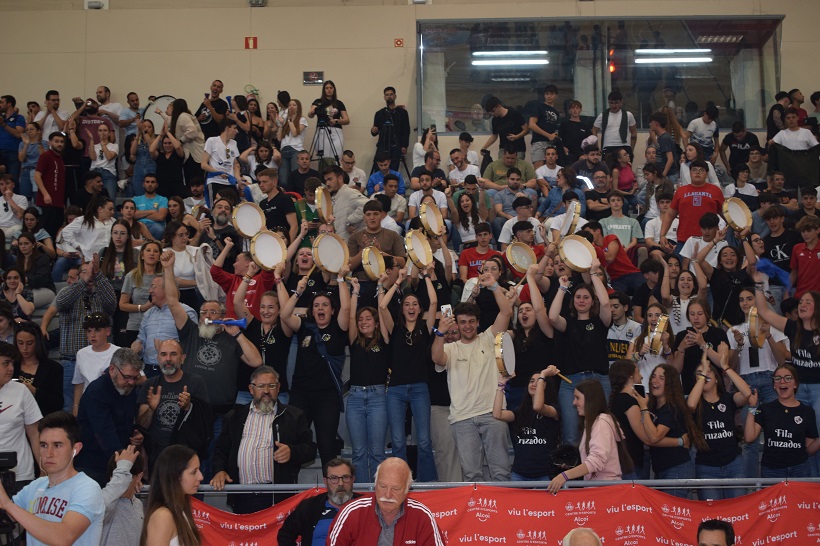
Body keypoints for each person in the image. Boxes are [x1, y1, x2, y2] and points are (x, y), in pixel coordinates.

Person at [432, 277, 513, 482]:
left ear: (478, 322)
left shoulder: (488, 337)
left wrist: (495, 286)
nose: (467, 326)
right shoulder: (450, 348)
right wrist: (440, 332)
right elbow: (436, 357)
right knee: (471, 476)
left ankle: (502, 515)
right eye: (462, 322)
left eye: (471, 322)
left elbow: (506, 312)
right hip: (462, 419)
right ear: (456, 325)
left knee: (501, 473)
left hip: (492, 415)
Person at [211, 366, 316, 513]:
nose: (266, 391)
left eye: (271, 386)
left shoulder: (294, 416)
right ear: (251, 389)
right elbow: (221, 450)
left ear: (278, 388)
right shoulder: (235, 416)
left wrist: (292, 452)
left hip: (277, 497)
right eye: (261, 386)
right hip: (242, 495)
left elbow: (310, 450)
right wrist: (220, 470)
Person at [279, 264, 351, 468]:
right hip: (300, 394)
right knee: (292, 444)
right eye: (317, 305)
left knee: (327, 445)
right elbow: (285, 316)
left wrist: (340, 279)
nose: (320, 308)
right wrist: (297, 293)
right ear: (312, 310)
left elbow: (346, 308)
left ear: (332, 310)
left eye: (325, 305)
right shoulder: (305, 328)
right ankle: (291, 493)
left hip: (326, 397)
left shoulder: (339, 329)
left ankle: (331, 493)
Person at [0, 411, 104, 546]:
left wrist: (7, 504)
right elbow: (7, 517)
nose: (49, 453)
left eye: (57, 445)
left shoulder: (87, 488)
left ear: (76, 449)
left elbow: (63, 537)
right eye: (43, 445)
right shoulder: (36, 486)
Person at [379, 269, 438, 481]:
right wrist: (398, 283)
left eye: (414, 304)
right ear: (402, 309)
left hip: (420, 388)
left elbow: (433, 303)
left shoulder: (426, 327)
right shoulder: (395, 328)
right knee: (397, 441)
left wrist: (427, 277)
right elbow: (383, 306)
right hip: (395, 389)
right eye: (407, 304)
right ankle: (399, 482)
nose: (411, 307)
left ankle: (428, 483)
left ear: (419, 308)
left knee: (423, 441)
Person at [549, 258, 613, 444]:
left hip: (599, 381)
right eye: (578, 297)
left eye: (586, 297)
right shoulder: (568, 323)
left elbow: (606, 304)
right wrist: (562, 287)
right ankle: (574, 473)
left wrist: (593, 273)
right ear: (573, 300)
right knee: (571, 435)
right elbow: (552, 316)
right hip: (571, 383)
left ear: (592, 301)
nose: (582, 300)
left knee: (601, 432)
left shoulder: (600, 322)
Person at [326, 457, 444, 546]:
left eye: (395, 489)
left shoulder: (422, 516)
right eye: (382, 486)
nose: (387, 495)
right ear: (375, 484)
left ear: (407, 489)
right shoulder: (351, 512)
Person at [687, 345, 751, 500]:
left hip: (734, 464)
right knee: (711, 514)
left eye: (709, 372)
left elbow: (746, 393)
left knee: (737, 511)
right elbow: (691, 405)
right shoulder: (695, 401)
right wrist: (704, 373)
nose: (705, 375)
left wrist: (725, 367)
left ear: (716, 379)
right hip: (706, 467)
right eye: (700, 374)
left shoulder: (728, 398)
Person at [633, 364, 706, 498]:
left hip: (676, 469)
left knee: (674, 516)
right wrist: (679, 441)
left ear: (670, 383)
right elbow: (649, 438)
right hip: (661, 470)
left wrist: (643, 409)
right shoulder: (653, 406)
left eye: (661, 378)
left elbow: (654, 437)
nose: (655, 381)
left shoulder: (672, 408)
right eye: (653, 376)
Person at [75, 348, 143, 486]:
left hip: (116, 461)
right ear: (112, 369)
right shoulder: (97, 392)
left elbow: (127, 420)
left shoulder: (128, 388)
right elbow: (104, 434)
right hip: (92, 466)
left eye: (135, 378)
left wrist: (135, 432)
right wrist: (125, 468)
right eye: (127, 377)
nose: (131, 382)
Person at [57, 258, 117, 412]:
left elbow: (112, 303)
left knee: (104, 407)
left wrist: (97, 275)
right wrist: (83, 281)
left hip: (102, 361)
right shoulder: (68, 293)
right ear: (78, 277)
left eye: (92, 273)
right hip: (71, 361)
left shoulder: (102, 296)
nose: (89, 276)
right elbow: (60, 303)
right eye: (85, 272)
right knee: (70, 408)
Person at [137, 339, 210, 467]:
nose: (168, 359)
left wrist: (189, 407)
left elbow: (205, 425)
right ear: (158, 358)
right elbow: (141, 426)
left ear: (183, 358)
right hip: (157, 454)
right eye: (163, 354)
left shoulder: (196, 382)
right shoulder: (150, 385)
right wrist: (151, 409)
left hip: (186, 454)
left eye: (173, 354)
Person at [346, 276, 391, 482]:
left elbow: (383, 311)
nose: (364, 322)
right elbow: (350, 318)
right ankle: (362, 495)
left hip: (378, 397)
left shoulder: (383, 339)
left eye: (368, 319)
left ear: (375, 322)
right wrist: (355, 291)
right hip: (355, 398)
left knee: (377, 452)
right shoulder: (355, 339)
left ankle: (378, 493)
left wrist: (380, 287)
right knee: (358, 453)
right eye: (361, 319)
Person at [547, 379, 627, 492]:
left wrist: (564, 476)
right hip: (600, 490)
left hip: (605, 492)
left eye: (577, 398)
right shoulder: (595, 423)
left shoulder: (601, 423)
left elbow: (596, 461)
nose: (574, 403)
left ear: (590, 398)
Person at [745, 364, 820, 478]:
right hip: (772, 471)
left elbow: (808, 450)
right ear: (774, 385)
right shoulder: (765, 409)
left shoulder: (807, 412)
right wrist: (752, 407)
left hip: (799, 470)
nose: (782, 381)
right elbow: (749, 438)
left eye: (788, 378)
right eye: (778, 378)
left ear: (795, 384)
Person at [278, 457, 359, 546]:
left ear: (353, 480)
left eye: (345, 477)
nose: (340, 483)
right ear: (325, 482)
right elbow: (284, 535)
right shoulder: (310, 506)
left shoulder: (367, 507)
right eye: (334, 478)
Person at [141, 444, 202, 546]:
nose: (200, 477)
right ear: (175, 476)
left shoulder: (181, 510)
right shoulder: (163, 516)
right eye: (194, 472)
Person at [0, 340, 42, 488]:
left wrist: (43, 469)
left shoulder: (21, 390)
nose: (11, 368)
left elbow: (35, 433)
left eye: (12, 363)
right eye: (5, 363)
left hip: (20, 475)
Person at [72, 312, 120, 411]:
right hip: (88, 404)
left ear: (108, 331)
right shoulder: (81, 354)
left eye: (97, 330)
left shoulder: (119, 352)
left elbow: (141, 379)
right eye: (89, 331)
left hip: (112, 404)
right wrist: (76, 406)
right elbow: (79, 383)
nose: (92, 335)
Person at [13, 321, 63, 416]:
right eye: (20, 343)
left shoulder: (53, 368)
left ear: (38, 342)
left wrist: (34, 391)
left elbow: (57, 404)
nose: (24, 348)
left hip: (42, 419)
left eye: (29, 343)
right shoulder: (11, 365)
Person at [100, 445, 145, 546]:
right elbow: (101, 508)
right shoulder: (105, 500)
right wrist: (124, 466)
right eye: (114, 475)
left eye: (126, 476)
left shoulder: (138, 505)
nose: (116, 480)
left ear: (139, 477)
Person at [61, 194, 116, 261]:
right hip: (90, 259)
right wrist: (78, 246)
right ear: (100, 209)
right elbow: (66, 232)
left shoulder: (113, 221)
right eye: (110, 209)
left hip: (110, 259)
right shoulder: (84, 220)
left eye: (113, 209)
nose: (113, 212)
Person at [308, 80, 349, 167]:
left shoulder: (339, 103)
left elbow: (346, 120)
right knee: (325, 158)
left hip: (336, 130)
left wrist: (336, 120)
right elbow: (310, 114)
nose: (329, 90)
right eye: (327, 88)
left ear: (334, 89)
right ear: (324, 90)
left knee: (337, 156)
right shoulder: (318, 101)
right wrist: (313, 110)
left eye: (331, 88)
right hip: (322, 130)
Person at [371, 87, 410, 171]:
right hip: (382, 147)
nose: (389, 96)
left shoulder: (402, 113)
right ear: (384, 97)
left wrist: (404, 146)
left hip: (396, 147)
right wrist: (373, 130)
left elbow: (406, 130)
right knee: (379, 170)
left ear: (395, 96)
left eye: (391, 94)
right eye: (387, 95)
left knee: (393, 171)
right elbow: (375, 131)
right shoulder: (379, 113)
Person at [592, 90, 638, 157]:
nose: (614, 105)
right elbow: (594, 130)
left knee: (625, 167)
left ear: (621, 102)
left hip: (625, 146)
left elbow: (634, 132)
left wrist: (631, 149)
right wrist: (597, 148)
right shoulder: (602, 115)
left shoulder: (629, 115)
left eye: (616, 103)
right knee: (608, 167)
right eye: (611, 103)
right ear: (608, 102)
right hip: (608, 146)